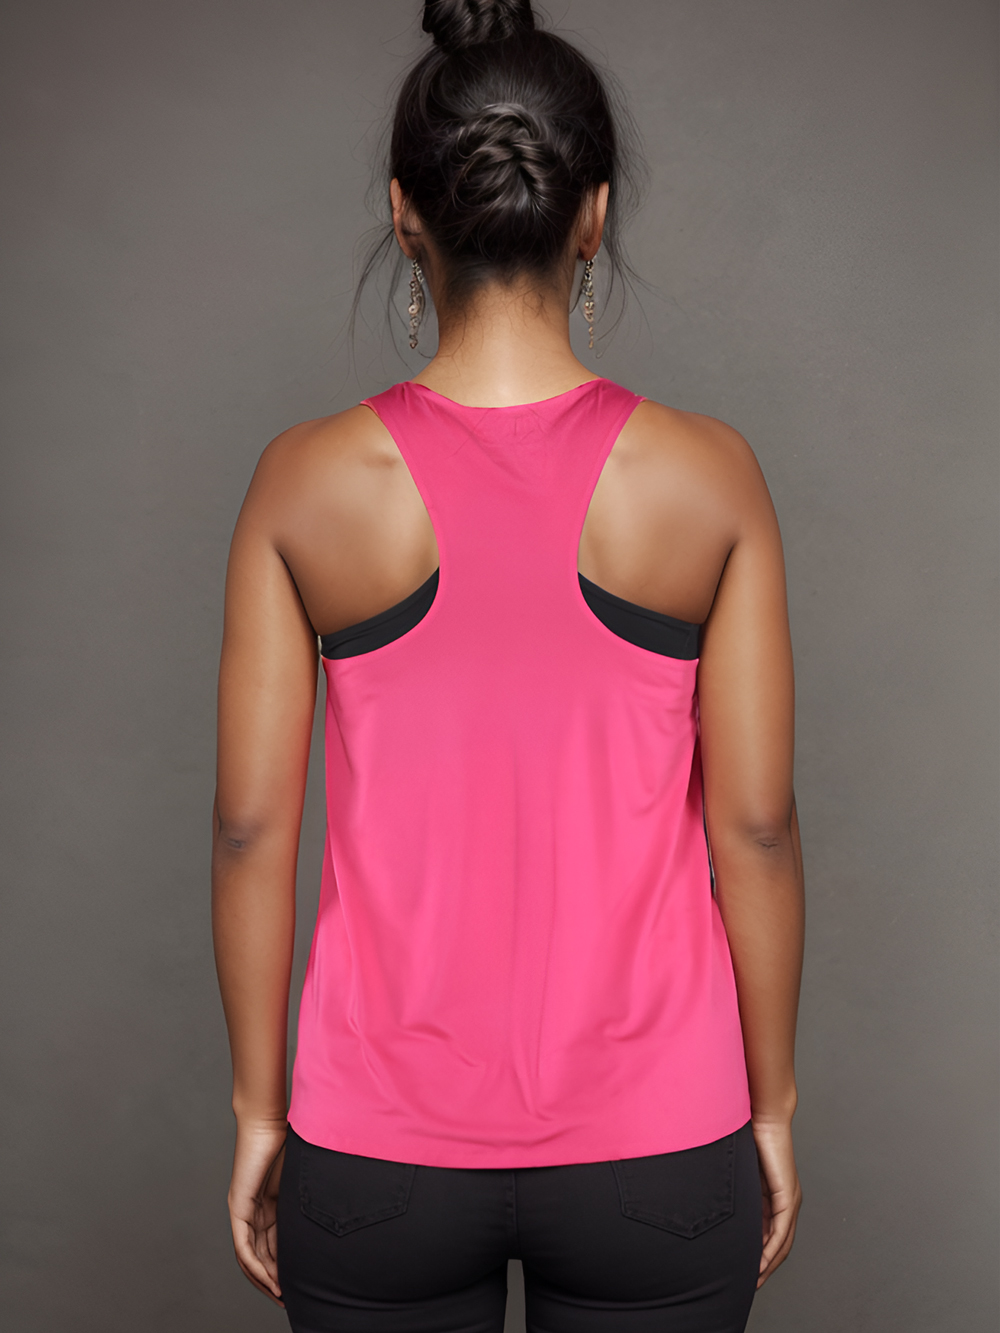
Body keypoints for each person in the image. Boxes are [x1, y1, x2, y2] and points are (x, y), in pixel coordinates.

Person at [212, 1, 804, 1329]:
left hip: (378, 1156)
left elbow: (250, 828)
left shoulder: (304, 483)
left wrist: (259, 1111)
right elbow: (757, 827)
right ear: (593, 214)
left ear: (404, 214)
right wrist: (767, 1103)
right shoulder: (708, 478)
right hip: (661, 1147)